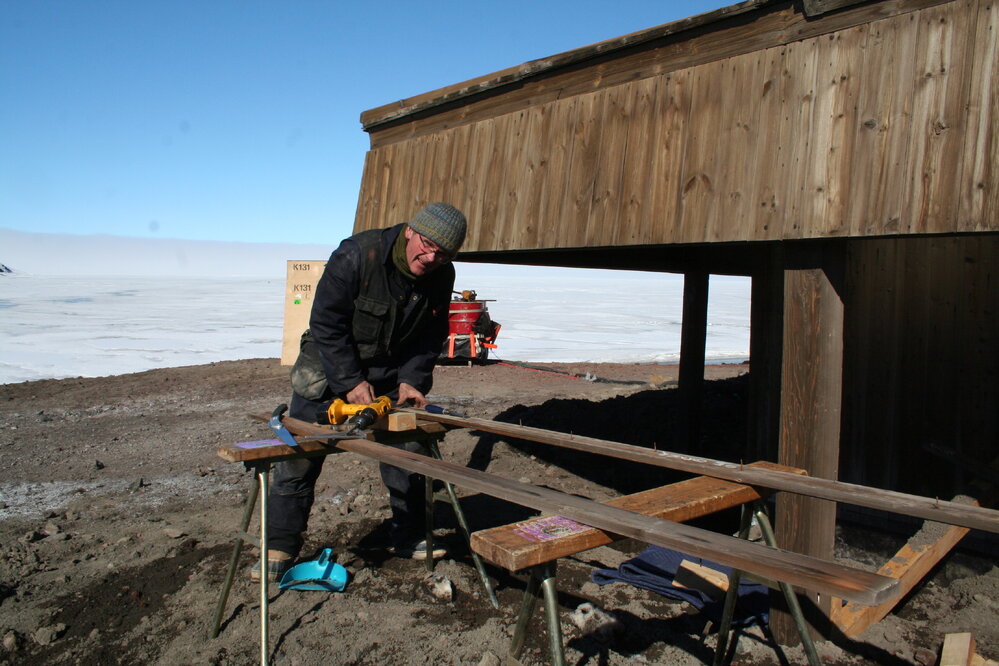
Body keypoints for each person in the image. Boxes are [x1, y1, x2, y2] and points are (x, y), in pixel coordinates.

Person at [260, 202, 467, 581]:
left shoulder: (441, 273)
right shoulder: (357, 255)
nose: (431, 256)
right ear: (410, 231)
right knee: (299, 458)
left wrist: (412, 380)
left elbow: (430, 335)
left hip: (388, 374)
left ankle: (408, 534)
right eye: (426, 244)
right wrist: (350, 381)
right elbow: (326, 322)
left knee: (409, 453)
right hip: (327, 370)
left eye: (443, 253)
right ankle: (281, 543)